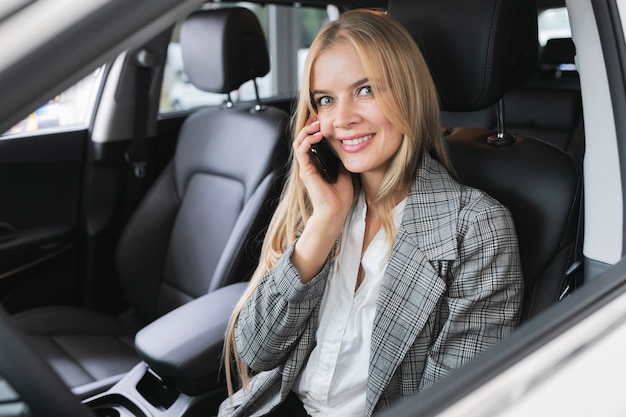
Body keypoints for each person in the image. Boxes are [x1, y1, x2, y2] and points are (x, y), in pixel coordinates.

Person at [218, 9, 523, 417]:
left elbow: (450, 406)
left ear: (408, 91)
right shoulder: (322, 204)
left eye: (365, 90)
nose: (342, 119)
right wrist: (326, 220)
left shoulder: (477, 227)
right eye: (326, 100)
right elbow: (256, 350)